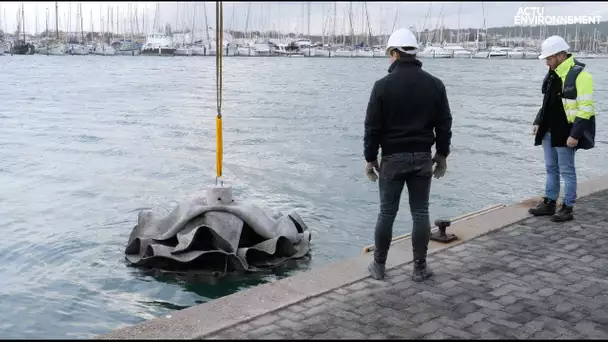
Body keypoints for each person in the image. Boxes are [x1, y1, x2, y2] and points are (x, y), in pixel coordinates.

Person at [363, 28, 453, 281]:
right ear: (413, 53)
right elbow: (444, 123)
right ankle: (419, 268)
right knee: (420, 213)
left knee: (386, 213)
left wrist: (370, 159)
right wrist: (442, 154)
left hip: (392, 159)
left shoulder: (382, 86)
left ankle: (379, 267)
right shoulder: (435, 84)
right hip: (423, 157)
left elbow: (372, 127)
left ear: (394, 54)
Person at [529, 35, 596, 222]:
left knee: (567, 170)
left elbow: (586, 108)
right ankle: (550, 202)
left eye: (549, 58)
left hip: (566, 131)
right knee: (551, 168)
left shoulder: (581, 76)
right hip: (548, 130)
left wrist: (575, 134)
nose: (547, 63)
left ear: (560, 55)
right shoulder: (553, 73)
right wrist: (537, 121)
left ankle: (567, 207)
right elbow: (547, 103)